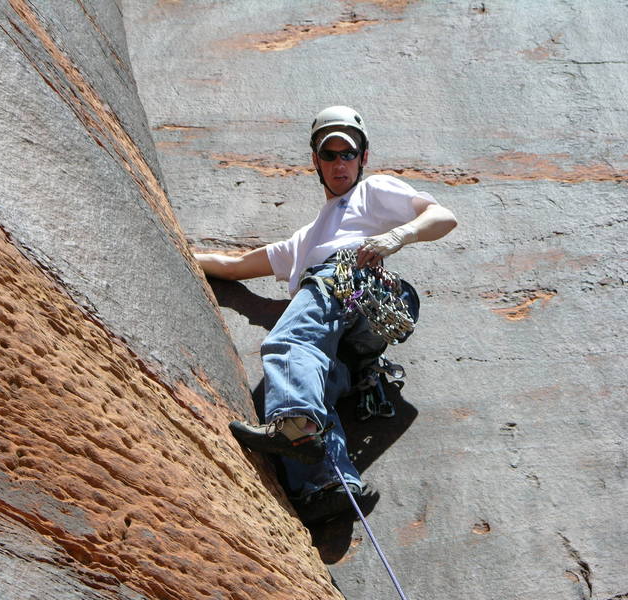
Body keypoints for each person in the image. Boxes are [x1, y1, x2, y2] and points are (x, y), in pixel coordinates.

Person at [195, 106, 457, 524]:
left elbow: (443, 216)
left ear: (363, 157)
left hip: (358, 284)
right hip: (347, 336)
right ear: (316, 161)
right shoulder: (301, 241)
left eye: (348, 154)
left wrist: (395, 236)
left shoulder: (371, 193)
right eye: (329, 154)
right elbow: (233, 266)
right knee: (313, 382)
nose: (340, 163)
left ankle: (295, 423)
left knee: (289, 344)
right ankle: (330, 484)